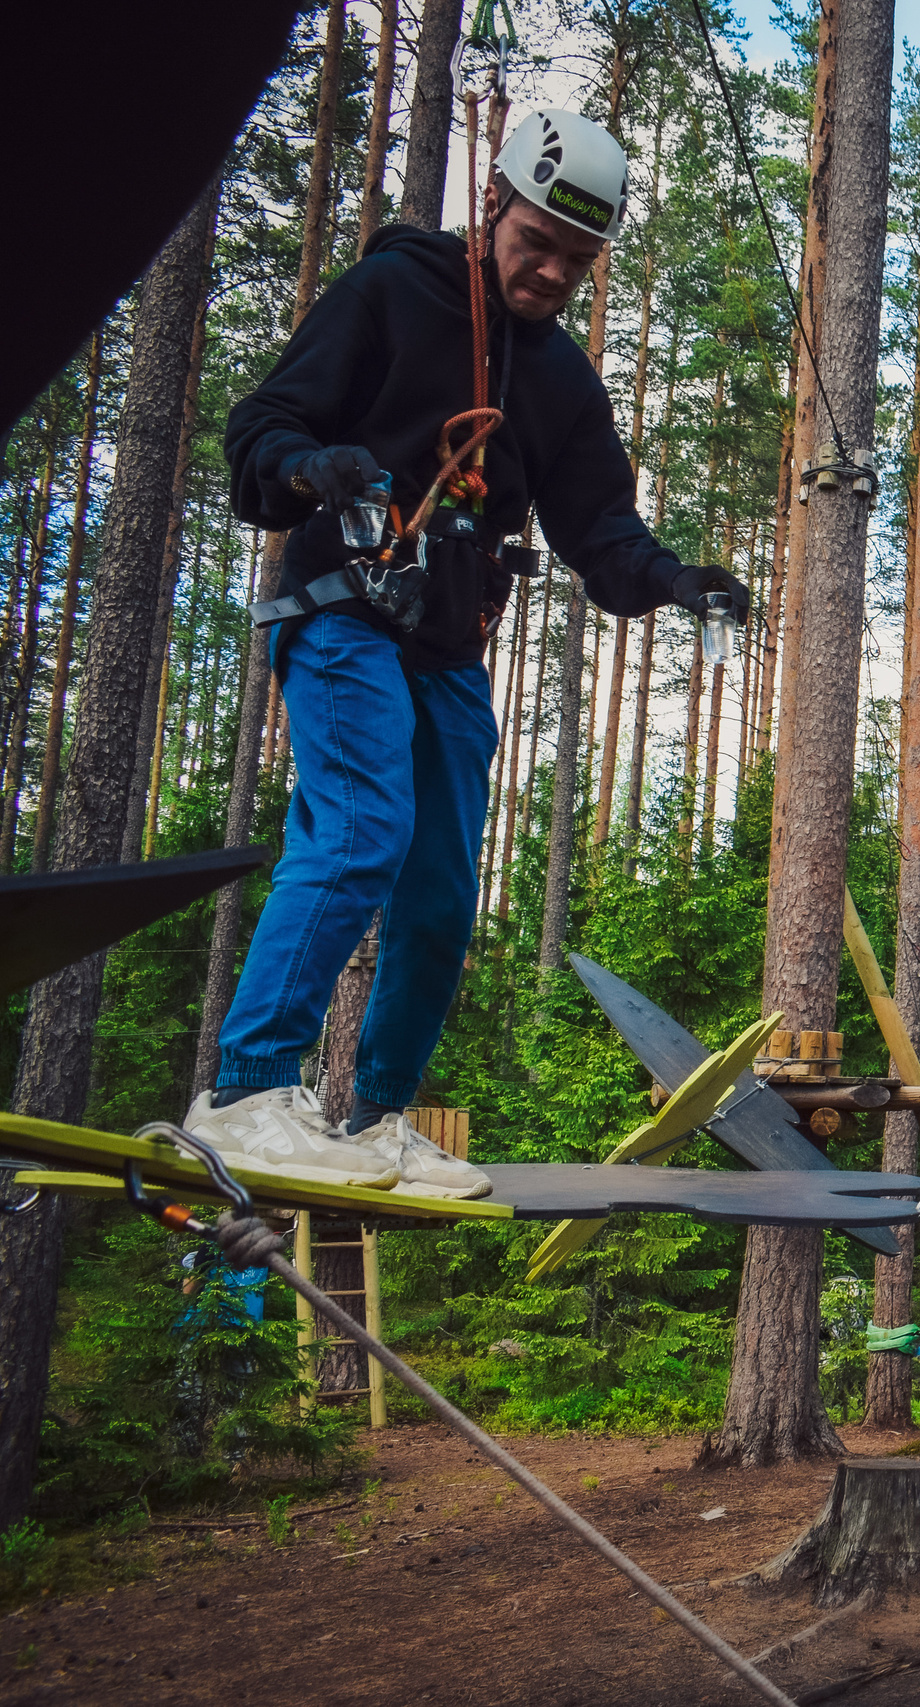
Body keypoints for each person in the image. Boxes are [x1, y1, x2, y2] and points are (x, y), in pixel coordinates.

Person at [188, 111, 749, 1196]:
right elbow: (261, 431)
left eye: (578, 259)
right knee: (364, 829)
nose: (552, 273)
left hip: (448, 649)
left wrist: (678, 581)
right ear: (493, 205)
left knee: (444, 892)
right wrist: (313, 466)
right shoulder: (391, 294)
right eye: (537, 242)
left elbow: (603, 533)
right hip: (343, 613)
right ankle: (246, 1093)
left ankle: (377, 1120)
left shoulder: (563, 381)